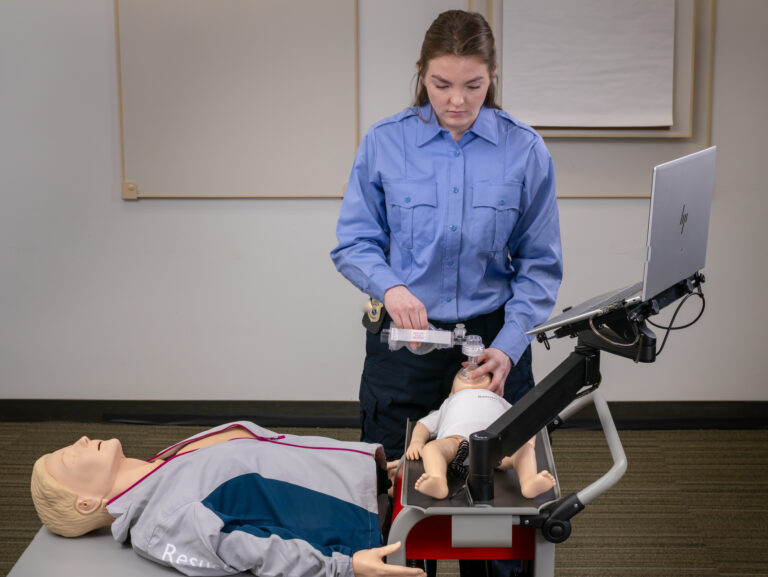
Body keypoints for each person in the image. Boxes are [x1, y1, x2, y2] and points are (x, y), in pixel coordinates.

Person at [330, 9, 563, 461]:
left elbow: (540, 264)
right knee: (392, 478)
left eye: (473, 85)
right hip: (404, 347)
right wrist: (392, 289)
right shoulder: (384, 143)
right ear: (421, 74)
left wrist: (510, 347)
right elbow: (354, 242)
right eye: (442, 85)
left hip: (493, 345)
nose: (457, 100)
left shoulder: (526, 150)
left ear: (492, 76)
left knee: (501, 483)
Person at [30, 421, 426, 577]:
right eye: (69, 456)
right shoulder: (161, 523)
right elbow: (251, 552)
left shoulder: (161, 463)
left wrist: (370, 469)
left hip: (373, 486)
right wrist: (344, 567)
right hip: (365, 528)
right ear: (85, 503)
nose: (80, 441)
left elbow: (273, 453)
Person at [406, 363, 555, 500]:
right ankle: (437, 479)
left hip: (497, 446)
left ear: (497, 389)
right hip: (457, 442)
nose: (472, 377)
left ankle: (529, 481)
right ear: (451, 394)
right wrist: (417, 442)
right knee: (431, 449)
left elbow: (524, 423)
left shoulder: (500, 400)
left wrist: (528, 442)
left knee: (523, 450)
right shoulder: (449, 403)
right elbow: (422, 426)